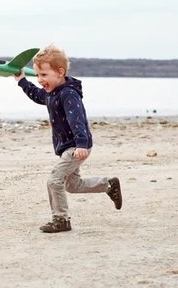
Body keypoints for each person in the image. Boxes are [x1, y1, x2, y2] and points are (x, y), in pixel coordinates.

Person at [14, 44, 122, 233]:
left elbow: (77, 119)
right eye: (38, 75)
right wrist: (22, 80)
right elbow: (37, 96)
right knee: (73, 185)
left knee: (54, 180)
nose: (40, 80)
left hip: (76, 147)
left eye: (44, 75)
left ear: (60, 72)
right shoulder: (51, 93)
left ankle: (61, 219)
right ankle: (109, 184)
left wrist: (81, 144)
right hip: (67, 147)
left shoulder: (69, 94)